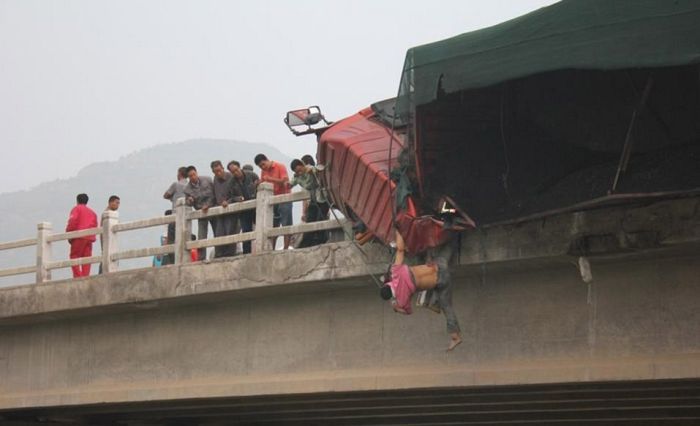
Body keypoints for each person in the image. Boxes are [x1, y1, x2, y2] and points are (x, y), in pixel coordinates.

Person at [380, 229, 462, 351]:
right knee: (447, 246)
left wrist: (397, 309)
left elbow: (408, 312)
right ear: (387, 284)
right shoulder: (395, 272)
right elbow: (400, 250)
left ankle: (455, 337)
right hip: (438, 267)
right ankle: (457, 231)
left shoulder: (401, 300)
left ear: (390, 297)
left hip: (441, 283)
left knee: (447, 307)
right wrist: (398, 231)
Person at [288, 158, 329, 247]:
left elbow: (320, 169)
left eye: (300, 170)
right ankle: (306, 244)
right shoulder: (298, 177)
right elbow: (290, 184)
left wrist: (313, 171)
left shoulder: (310, 168)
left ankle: (321, 241)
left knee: (321, 218)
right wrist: (285, 184)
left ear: (303, 165)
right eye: (297, 171)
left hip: (322, 198)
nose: (300, 172)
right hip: (313, 199)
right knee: (310, 219)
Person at [254, 153, 292, 250]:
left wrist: (271, 179)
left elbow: (285, 181)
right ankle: (272, 248)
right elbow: (263, 183)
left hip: (284, 198)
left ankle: (286, 247)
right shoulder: (263, 171)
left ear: (267, 159)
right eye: (260, 166)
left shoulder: (280, 166)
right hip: (272, 200)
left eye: (263, 164)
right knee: (273, 225)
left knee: (286, 223)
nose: (263, 167)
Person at [184, 165, 214, 261]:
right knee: (201, 236)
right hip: (201, 213)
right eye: (190, 176)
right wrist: (190, 200)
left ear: (196, 173)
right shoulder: (187, 190)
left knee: (218, 232)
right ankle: (201, 258)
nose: (193, 177)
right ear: (188, 177)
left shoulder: (208, 180)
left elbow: (215, 194)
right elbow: (188, 203)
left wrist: (208, 205)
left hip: (213, 210)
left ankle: (219, 254)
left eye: (194, 174)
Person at [228, 160, 259, 254]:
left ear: (239, 167)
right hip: (244, 211)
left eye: (236, 170)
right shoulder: (231, 182)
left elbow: (260, 186)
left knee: (261, 226)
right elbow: (231, 197)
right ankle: (247, 253)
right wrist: (238, 199)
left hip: (256, 207)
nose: (235, 173)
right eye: (233, 172)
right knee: (246, 231)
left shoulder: (252, 175)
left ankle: (261, 249)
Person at [211, 160, 239, 258]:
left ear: (222, 168)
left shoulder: (231, 177)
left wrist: (228, 202)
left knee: (230, 231)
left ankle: (230, 254)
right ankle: (219, 254)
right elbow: (214, 195)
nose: (218, 173)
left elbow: (236, 195)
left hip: (231, 210)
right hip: (220, 210)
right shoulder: (215, 179)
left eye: (219, 170)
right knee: (219, 233)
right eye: (215, 172)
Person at [65, 193, 98, 278]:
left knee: (74, 256)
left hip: (79, 237)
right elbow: (95, 225)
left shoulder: (76, 209)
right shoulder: (93, 213)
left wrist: (69, 233)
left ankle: (78, 276)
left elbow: (73, 222)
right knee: (86, 258)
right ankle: (85, 276)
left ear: (77, 200)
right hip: (89, 238)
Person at [98, 195, 120, 274]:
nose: (118, 205)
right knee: (106, 260)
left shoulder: (113, 213)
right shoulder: (106, 213)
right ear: (110, 202)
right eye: (116, 203)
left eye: (118, 203)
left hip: (111, 242)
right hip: (106, 242)